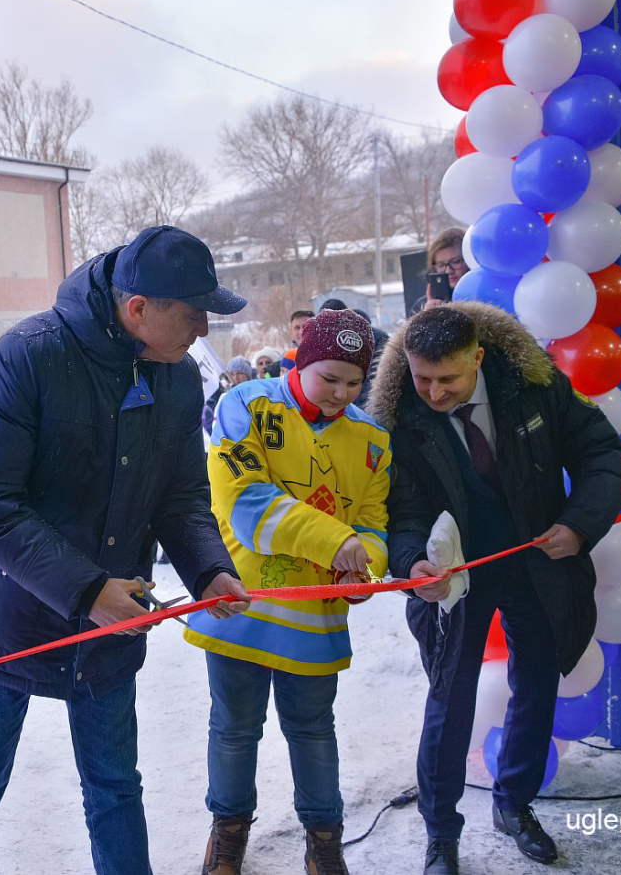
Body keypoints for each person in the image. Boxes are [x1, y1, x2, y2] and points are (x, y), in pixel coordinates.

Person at [0, 224, 253, 875]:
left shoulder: (181, 380)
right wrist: (85, 589)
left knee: (114, 786)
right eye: (194, 316)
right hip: (3, 622)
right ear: (138, 309)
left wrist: (210, 568)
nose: (203, 332)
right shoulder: (30, 355)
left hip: (109, 624)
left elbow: (183, 497)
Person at [367, 304, 621, 875]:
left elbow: (601, 454)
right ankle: (441, 834)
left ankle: (514, 804)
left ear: (479, 358)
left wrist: (580, 523)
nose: (433, 392)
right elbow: (400, 509)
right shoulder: (395, 420)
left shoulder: (535, 385)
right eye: (421, 378)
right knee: (450, 695)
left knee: (535, 683)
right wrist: (412, 566)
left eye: (448, 379)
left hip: (538, 560)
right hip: (455, 576)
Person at [184, 309, 391, 875]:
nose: (341, 394)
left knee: (312, 728)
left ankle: (324, 837)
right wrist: (340, 543)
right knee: (233, 726)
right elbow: (244, 505)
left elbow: (374, 528)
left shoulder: (373, 441)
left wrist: (364, 573)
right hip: (239, 603)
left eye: (355, 382)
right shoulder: (245, 405)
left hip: (315, 619)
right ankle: (228, 832)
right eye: (330, 378)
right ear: (300, 357)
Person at [412, 227, 469, 315]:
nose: (449, 270)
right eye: (441, 265)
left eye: (456, 261)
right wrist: (426, 318)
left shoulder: (484, 297)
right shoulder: (421, 306)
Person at [202, 355, 253, 435]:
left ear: (247, 375)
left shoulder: (255, 395)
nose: (236, 377)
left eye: (239, 373)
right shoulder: (224, 397)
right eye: (232, 374)